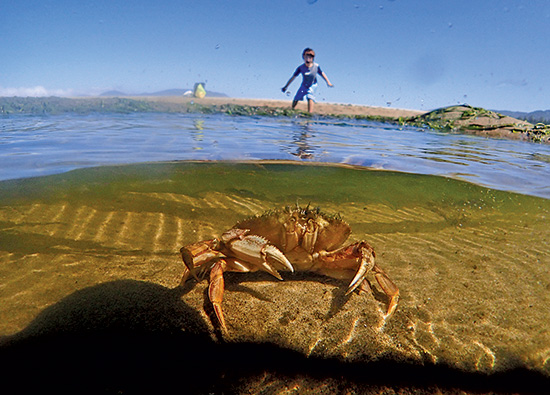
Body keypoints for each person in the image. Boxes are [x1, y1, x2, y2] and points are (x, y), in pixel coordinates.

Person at [281, 48, 333, 113]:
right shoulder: (300, 68)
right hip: (304, 85)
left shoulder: (316, 66)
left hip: (313, 85)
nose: (309, 58)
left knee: (310, 95)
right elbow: (293, 77)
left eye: (311, 56)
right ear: (303, 57)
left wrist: (328, 82)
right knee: (297, 97)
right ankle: (292, 109)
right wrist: (286, 86)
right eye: (307, 56)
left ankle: (310, 113)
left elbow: (322, 74)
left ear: (313, 58)